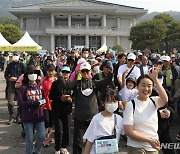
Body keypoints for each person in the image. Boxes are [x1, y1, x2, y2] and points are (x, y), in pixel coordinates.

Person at [59, 62, 113, 154]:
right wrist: (60, 76)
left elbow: (105, 82)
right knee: (77, 143)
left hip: (93, 118)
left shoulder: (94, 83)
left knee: (95, 141)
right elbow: (66, 85)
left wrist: (111, 72)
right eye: (83, 71)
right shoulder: (76, 84)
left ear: (90, 71)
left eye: (87, 71)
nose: (85, 73)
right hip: (79, 118)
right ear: (80, 72)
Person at [123, 66, 168, 154]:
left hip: (152, 147)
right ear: (137, 87)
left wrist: (156, 80)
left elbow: (165, 100)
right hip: (136, 147)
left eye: (149, 86)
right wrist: (148, 140)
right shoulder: (131, 105)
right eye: (143, 85)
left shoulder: (154, 101)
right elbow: (129, 131)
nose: (146, 89)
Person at [83, 88, 124, 154]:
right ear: (102, 103)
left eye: (114, 101)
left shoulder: (119, 119)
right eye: (109, 102)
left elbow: (126, 133)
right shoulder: (97, 119)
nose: (112, 104)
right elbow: (89, 141)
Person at [18, 65, 46, 154]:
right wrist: (32, 103)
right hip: (28, 117)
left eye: (34, 73)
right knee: (29, 139)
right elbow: (20, 103)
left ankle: (36, 151)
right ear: (27, 75)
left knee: (42, 136)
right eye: (30, 73)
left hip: (39, 115)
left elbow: (44, 98)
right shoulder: (23, 88)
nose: (33, 75)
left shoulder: (40, 86)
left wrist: (41, 102)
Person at [49, 65, 72, 154]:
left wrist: (71, 99)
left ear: (70, 73)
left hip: (67, 111)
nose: (65, 74)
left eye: (67, 72)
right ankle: (57, 148)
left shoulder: (71, 83)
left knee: (67, 130)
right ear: (61, 73)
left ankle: (64, 146)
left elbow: (75, 96)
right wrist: (59, 98)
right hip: (57, 110)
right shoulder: (56, 83)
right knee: (58, 130)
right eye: (64, 72)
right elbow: (51, 96)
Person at [4, 51, 26, 125]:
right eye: (14, 55)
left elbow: (25, 75)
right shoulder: (10, 65)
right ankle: (12, 116)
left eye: (16, 55)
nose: (15, 56)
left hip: (19, 85)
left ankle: (18, 116)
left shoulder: (22, 64)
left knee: (20, 102)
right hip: (11, 85)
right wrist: (9, 78)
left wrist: (18, 79)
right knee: (10, 102)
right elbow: (6, 75)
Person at [42, 64, 57, 147]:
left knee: (51, 122)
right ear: (47, 71)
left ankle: (48, 137)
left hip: (54, 104)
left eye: (52, 70)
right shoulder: (43, 80)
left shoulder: (56, 80)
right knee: (46, 121)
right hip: (45, 104)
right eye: (49, 71)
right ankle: (45, 138)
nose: (51, 72)